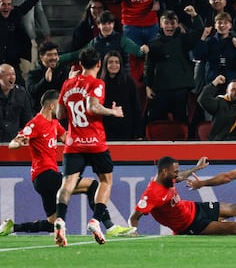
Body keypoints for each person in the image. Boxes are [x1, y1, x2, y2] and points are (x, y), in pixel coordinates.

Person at [0, 89, 134, 237]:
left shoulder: (55, 124)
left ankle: (12, 227)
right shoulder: (36, 123)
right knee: (93, 185)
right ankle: (110, 226)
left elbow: (69, 140)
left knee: (52, 224)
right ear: (51, 106)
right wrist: (18, 143)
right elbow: (14, 142)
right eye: (59, 105)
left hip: (43, 179)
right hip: (45, 175)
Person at [54, 47, 124, 247]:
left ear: (80, 64)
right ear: (99, 64)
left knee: (67, 183)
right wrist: (113, 112)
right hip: (95, 142)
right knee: (106, 181)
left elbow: (59, 114)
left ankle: (60, 219)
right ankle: (95, 221)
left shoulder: (68, 84)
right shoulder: (97, 83)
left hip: (73, 143)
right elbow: (93, 107)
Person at [128, 156, 236, 235]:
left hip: (194, 208)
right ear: (164, 172)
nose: (177, 174)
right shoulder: (152, 193)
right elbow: (134, 217)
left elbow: (181, 175)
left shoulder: (168, 178)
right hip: (189, 225)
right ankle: (211, 228)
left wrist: (198, 167)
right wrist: (133, 232)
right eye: (174, 171)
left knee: (234, 208)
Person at [144, 6, 203, 123]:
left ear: (177, 25)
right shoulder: (153, 45)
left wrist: (194, 16)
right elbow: (148, 67)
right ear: (161, 24)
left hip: (180, 90)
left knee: (181, 121)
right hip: (160, 90)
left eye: (172, 23)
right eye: (166, 23)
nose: (169, 26)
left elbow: (198, 31)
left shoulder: (184, 40)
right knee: (157, 122)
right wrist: (147, 86)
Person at [0, 0, 53, 86]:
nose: (6, 7)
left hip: (14, 63)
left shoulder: (15, 14)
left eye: (9, 4)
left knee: (21, 87)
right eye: (3, 4)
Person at [60, 10, 149, 76]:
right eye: (104, 24)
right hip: (102, 80)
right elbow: (78, 54)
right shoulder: (94, 42)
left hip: (121, 81)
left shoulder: (122, 40)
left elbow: (137, 51)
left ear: (113, 24)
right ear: (98, 25)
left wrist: (142, 50)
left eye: (109, 23)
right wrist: (58, 59)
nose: (107, 26)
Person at [193, 12, 236, 87]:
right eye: (219, 23)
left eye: (225, 23)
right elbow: (197, 56)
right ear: (215, 26)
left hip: (231, 82)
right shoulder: (209, 41)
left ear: (230, 25)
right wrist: (203, 37)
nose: (222, 25)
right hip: (213, 80)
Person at [100, 50, 143, 140]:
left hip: (125, 127)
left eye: (117, 62)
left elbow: (136, 108)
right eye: (110, 62)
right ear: (105, 65)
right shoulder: (99, 83)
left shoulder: (129, 82)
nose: (114, 65)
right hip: (105, 128)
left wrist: (139, 133)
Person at [26, 41, 69, 113]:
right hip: (41, 113)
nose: (53, 57)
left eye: (55, 54)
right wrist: (45, 81)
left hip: (61, 112)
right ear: (41, 57)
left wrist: (70, 81)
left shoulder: (64, 70)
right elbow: (32, 92)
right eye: (49, 55)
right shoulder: (33, 74)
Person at [0, 63, 32, 142]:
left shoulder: (21, 93)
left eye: (13, 74)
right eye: (8, 74)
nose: (12, 77)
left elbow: (27, 118)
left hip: (14, 141)